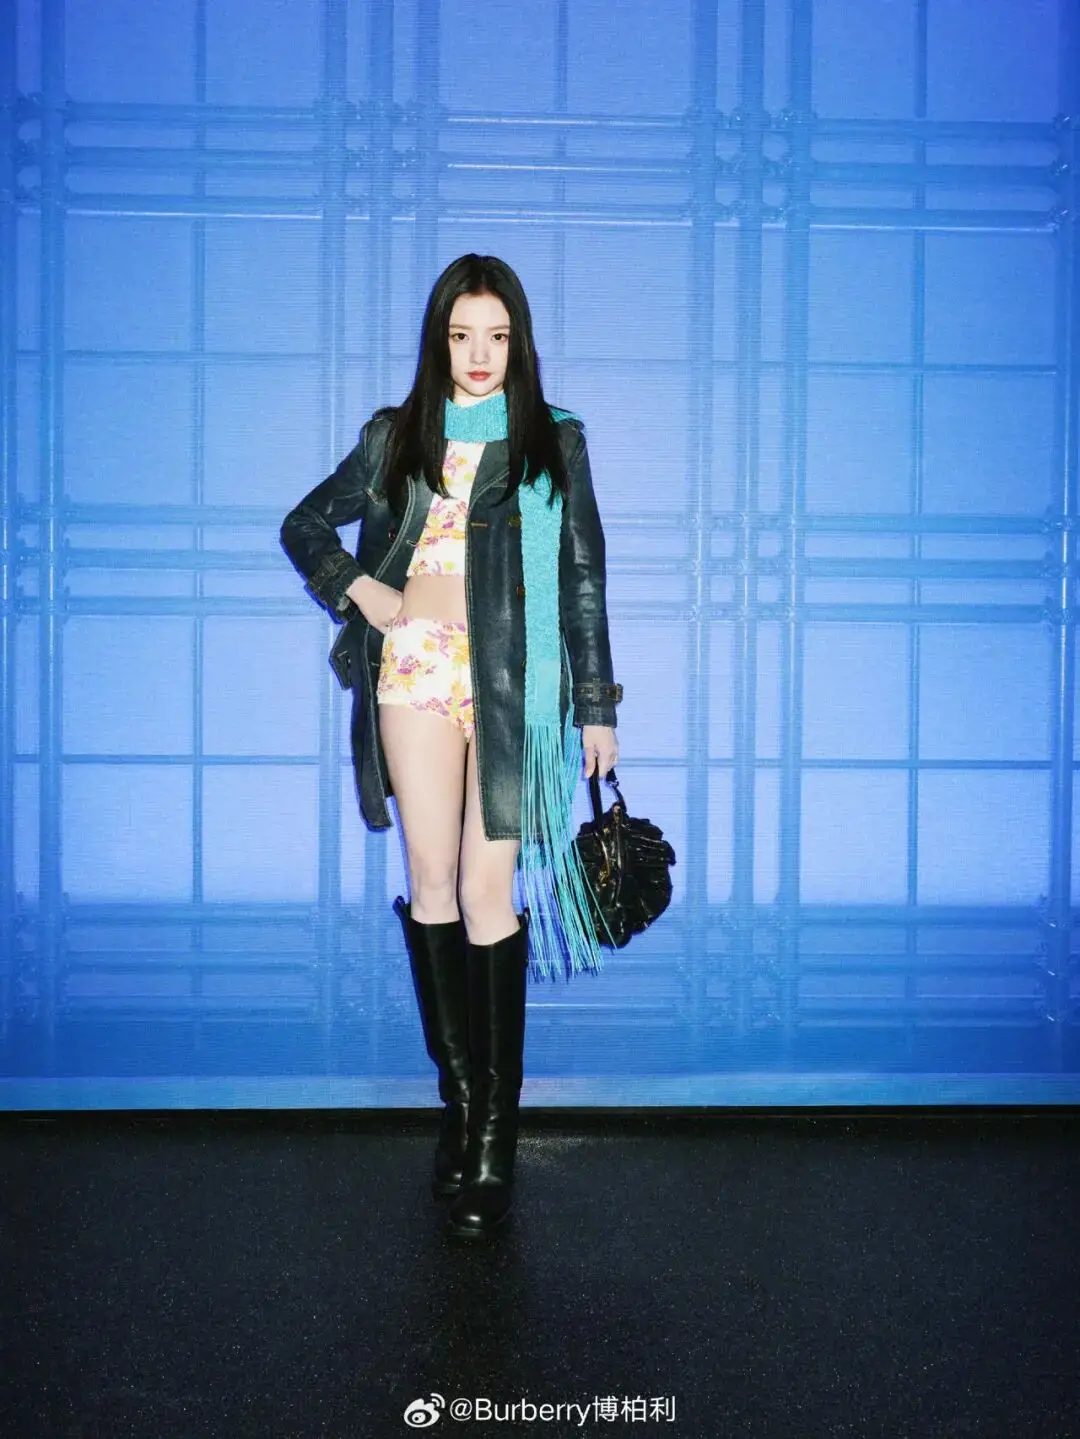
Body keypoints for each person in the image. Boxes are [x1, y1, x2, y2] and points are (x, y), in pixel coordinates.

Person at [279, 253, 622, 1240]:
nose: (479, 354)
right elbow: (306, 524)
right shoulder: (397, 438)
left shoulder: (553, 439)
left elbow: (583, 574)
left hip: (518, 684)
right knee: (432, 883)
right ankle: (463, 1111)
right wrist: (360, 587)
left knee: (487, 893)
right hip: (417, 671)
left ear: (519, 342)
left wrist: (595, 704)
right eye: (461, 335)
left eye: (497, 336)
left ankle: (497, 1138)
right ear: (439, 340)